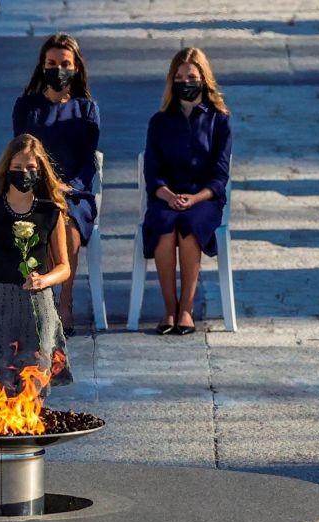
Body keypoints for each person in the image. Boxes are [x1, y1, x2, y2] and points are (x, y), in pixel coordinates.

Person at [0, 134, 74, 396]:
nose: (24, 174)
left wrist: (44, 280)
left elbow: (64, 266)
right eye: (17, 169)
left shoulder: (50, 212)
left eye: (30, 169)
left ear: (40, 171)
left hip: (38, 306)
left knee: (33, 390)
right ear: (7, 170)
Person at [12, 33, 99, 337]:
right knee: (41, 220)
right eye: (52, 63)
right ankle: (39, 303)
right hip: (34, 188)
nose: (58, 69)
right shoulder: (26, 107)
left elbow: (89, 161)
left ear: (75, 68)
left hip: (74, 193)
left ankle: (65, 303)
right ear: (42, 66)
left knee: (68, 228)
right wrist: (44, 184)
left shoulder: (86, 109)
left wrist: (68, 186)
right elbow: (20, 153)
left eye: (64, 63)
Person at [142, 47, 232, 335]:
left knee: (190, 225)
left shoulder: (219, 120)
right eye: (179, 76)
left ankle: (187, 309)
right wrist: (168, 195)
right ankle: (169, 308)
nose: (185, 81)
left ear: (203, 79)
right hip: (166, 196)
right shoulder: (159, 122)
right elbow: (152, 172)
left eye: (191, 76)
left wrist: (195, 198)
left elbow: (220, 175)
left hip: (203, 198)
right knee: (165, 226)